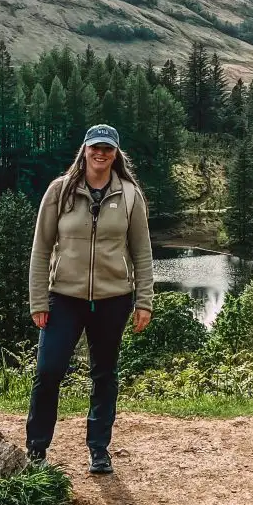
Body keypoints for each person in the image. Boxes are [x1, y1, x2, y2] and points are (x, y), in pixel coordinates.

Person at [26, 123, 153, 474]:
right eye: (95, 147)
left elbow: (142, 252)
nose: (101, 153)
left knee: (104, 374)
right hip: (63, 297)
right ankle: (36, 449)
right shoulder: (59, 191)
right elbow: (40, 249)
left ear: (116, 154)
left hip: (114, 299)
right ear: (84, 149)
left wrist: (144, 300)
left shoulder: (129, 195)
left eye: (108, 149)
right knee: (49, 371)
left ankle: (99, 449)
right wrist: (38, 300)